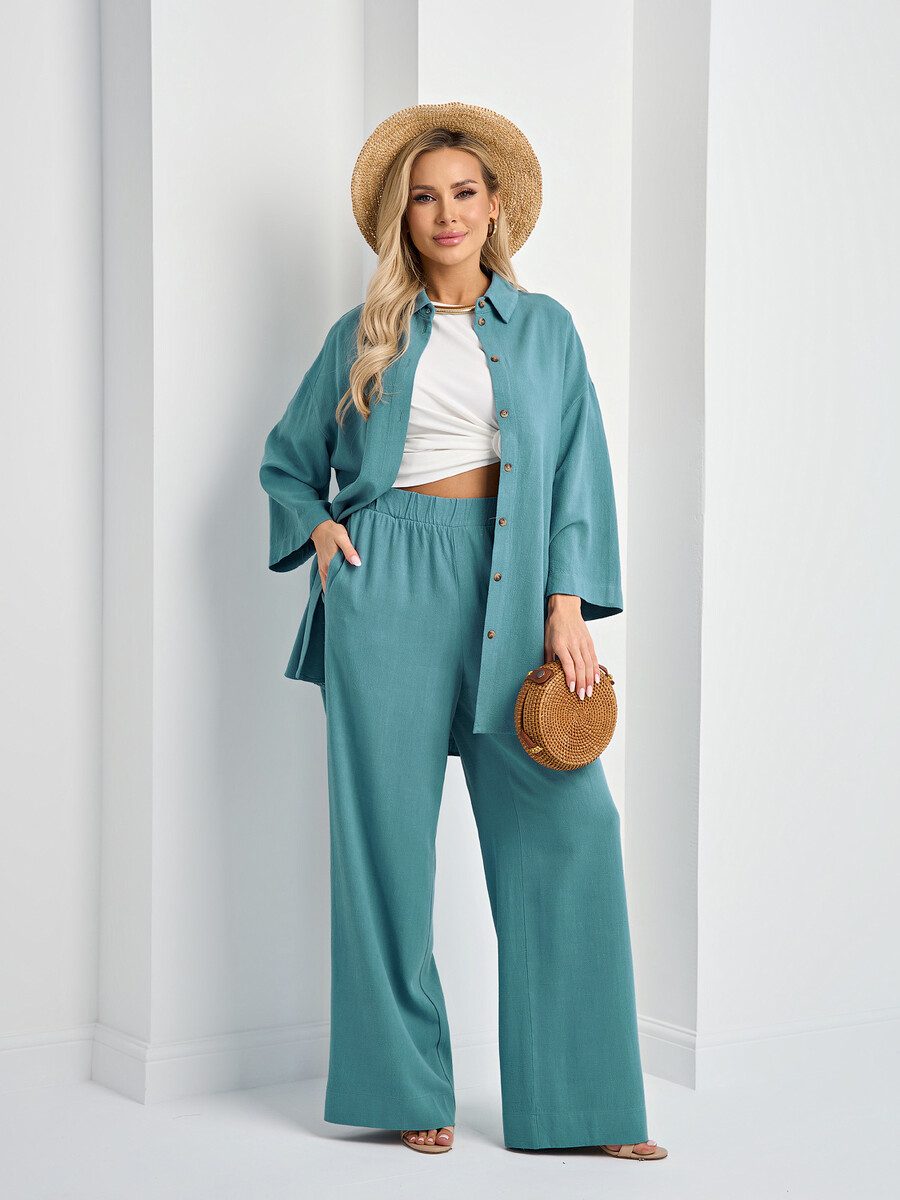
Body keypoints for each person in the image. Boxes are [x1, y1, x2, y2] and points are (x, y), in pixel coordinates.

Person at [259, 100, 667, 1162]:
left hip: (514, 585)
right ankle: (405, 1089)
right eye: (425, 198)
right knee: (385, 845)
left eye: (464, 193)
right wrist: (323, 535)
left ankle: (585, 1105)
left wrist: (567, 605)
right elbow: (288, 463)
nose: (445, 212)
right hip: (386, 583)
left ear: (494, 209)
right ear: (404, 218)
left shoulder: (547, 330)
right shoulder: (363, 338)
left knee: (571, 828)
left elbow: (578, 469)